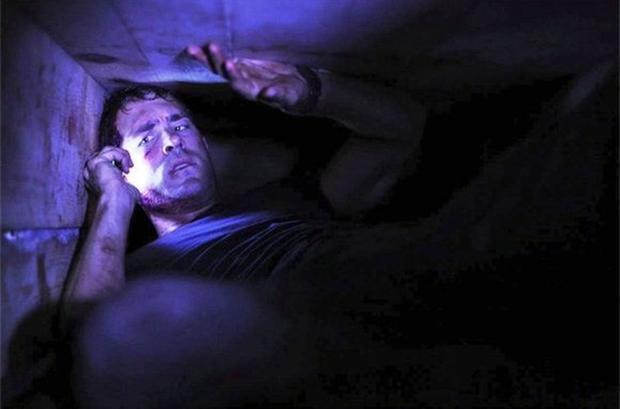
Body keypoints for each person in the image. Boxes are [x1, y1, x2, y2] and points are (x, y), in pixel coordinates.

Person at [61, 42, 616, 408]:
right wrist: (113, 200)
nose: (172, 141)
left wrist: (310, 90)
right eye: (147, 137)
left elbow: (402, 130)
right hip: (293, 347)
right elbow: (85, 334)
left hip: (402, 271)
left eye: (180, 126)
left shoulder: (280, 200)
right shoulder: (135, 269)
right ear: (123, 166)